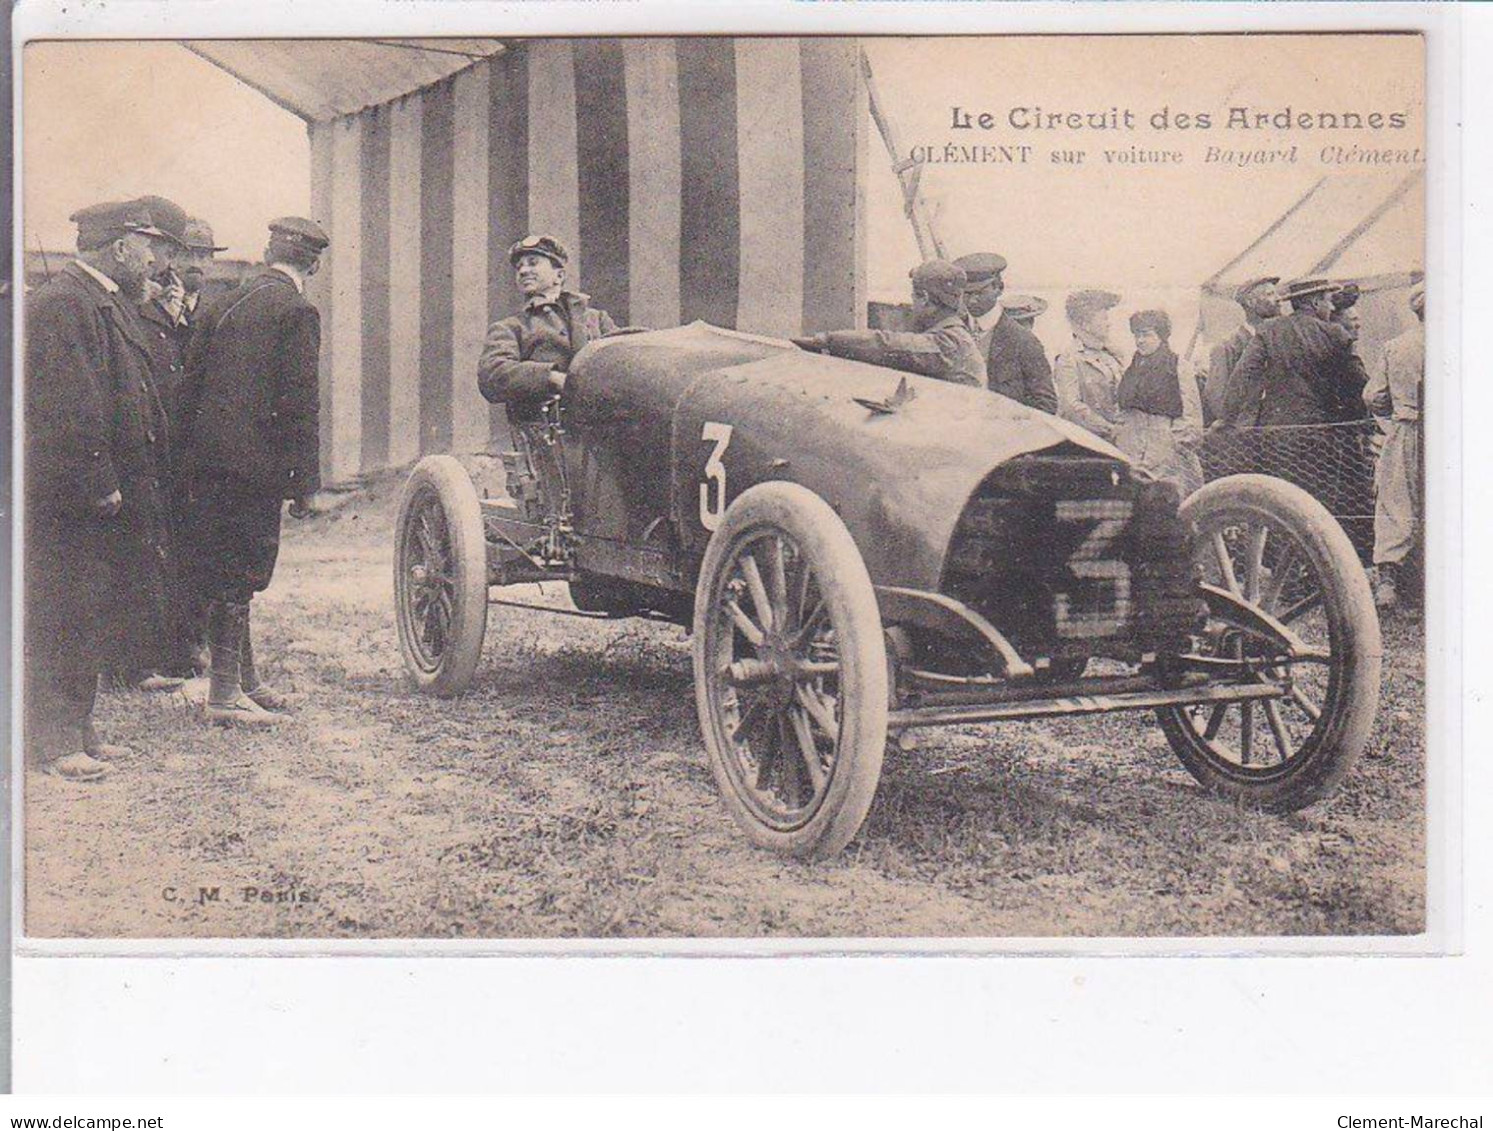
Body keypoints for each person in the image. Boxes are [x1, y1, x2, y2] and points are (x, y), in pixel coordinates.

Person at [24, 200, 178, 780]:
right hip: (70, 497)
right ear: (119, 248)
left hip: (97, 494)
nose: (154, 259)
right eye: (146, 246)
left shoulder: (98, 301)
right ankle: (54, 741)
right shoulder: (65, 303)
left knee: (87, 610)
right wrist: (97, 480)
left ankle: (80, 728)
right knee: (62, 612)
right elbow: (67, 404)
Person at [178, 217, 329, 726]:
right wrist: (305, 484)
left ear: (269, 251)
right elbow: (299, 403)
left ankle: (243, 682)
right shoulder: (296, 309)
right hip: (253, 467)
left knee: (224, 570)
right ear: (313, 262)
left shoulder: (222, 301)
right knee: (239, 574)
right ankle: (224, 696)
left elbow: (190, 385)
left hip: (206, 461)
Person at [138, 214, 224, 680]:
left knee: (195, 546)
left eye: (204, 256)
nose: (196, 265)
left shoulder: (214, 308)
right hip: (156, 444)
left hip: (194, 448)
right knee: (158, 548)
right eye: (188, 255)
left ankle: (193, 643)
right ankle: (158, 649)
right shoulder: (147, 304)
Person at [478, 235, 618, 415]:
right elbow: (492, 373)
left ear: (558, 275)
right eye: (519, 267)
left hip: (601, 423)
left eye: (533, 263)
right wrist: (551, 377)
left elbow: (623, 354)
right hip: (547, 432)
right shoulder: (510, 328)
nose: (523, 271)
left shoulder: (596, 319)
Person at [792, 259, 985, 386]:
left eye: (913, 296)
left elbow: (888, 344)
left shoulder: (950, 343)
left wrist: (829, 340)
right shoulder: (956, 336)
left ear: (924, 298)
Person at [1221, 278, 1365, 428]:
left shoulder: (1269, 329)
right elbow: (1357, 381)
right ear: (1315, 303)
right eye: (1328, 301)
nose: (1331, 307)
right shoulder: (1334, 333)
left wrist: (1225, 419)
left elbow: (1242, 376)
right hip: (1323, 430)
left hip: (1277, 430)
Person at [1364, 284, 1425, 610]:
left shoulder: (1397, 346)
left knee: (1396, 506)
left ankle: (1388, 584)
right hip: (1450, 436)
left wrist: (1397, 409)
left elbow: (1374, 396)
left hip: (1406, 431)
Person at [1114, 310, 1204, 496]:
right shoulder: (1130, 369)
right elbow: (1121, 412)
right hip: (1132, 451)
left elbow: (1191, 417)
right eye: (1136, 335)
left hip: (1166, 454)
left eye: (1146, 334)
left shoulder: (1178, 366)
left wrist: (1173, 447)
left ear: (1161, 336)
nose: (1140, 341)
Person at [954, 252, 1057, 412]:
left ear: (999, 288)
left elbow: (1046, 404)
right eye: (966, 294)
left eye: (979, 293)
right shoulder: (955, 331)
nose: (972, 300)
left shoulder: (1024, 341)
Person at [1203, 276, 1279, 427]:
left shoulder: (1280, 340)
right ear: (1251, 303)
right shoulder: (1226, 347)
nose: (1278, 299)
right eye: (1270, 294)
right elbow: (1216, 396)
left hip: (1277, 429)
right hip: (1247, 433)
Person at [1053, 289, 1126, 442]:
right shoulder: (1068, 359)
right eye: (1103, 319)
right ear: (1085, 324)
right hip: (1090, 442)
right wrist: (1110, 429)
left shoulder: (1113, 354)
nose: (1108, 324)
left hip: (1119, 438)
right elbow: (1071, 407)